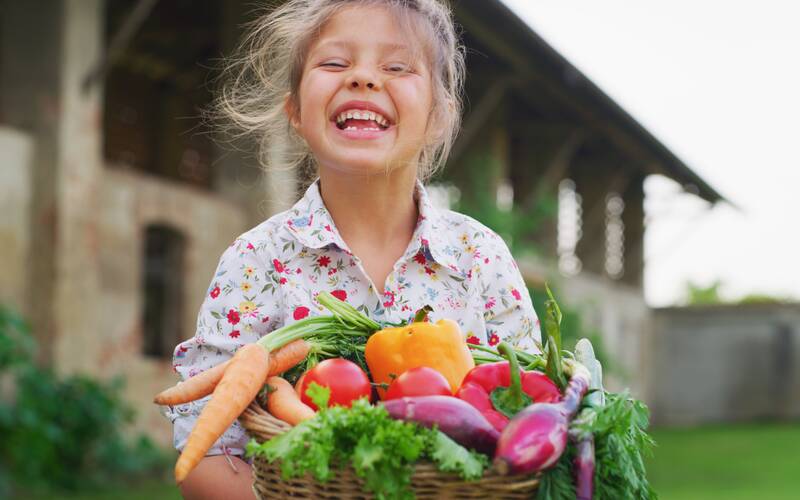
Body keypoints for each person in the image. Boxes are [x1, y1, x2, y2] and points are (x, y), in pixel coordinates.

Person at [168, 1, 541, 498]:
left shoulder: (481, 258)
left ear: (438, 116)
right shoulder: (256, 260)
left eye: (396, 66)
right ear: (296, 111)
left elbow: (534, 415)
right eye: (335, 63)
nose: (363, 78)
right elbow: (205, 451)